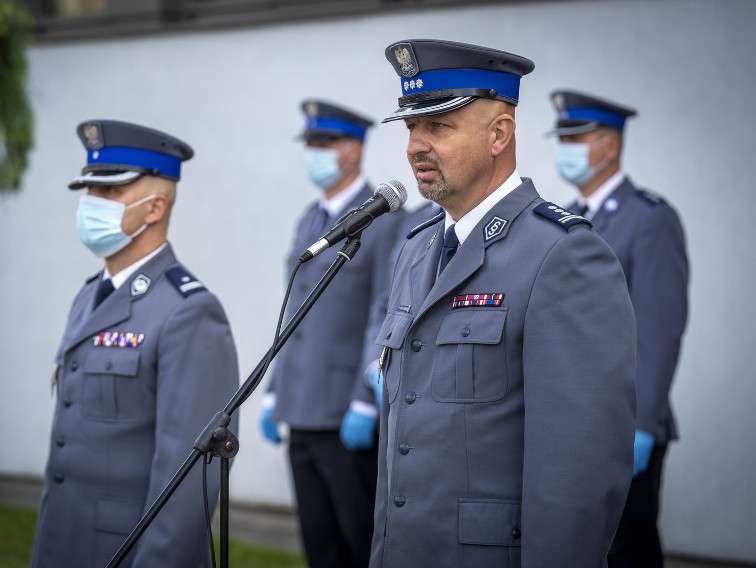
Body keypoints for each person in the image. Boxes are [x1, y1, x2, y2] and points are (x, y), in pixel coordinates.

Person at [370, 39, 638, 566]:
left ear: (499, 134)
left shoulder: (563, 256)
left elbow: (575, 474)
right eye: (410, 127)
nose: (414, 146)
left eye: (438, 127)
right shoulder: (416, 246)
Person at [30, 120, 239, 568]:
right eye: (89, 192)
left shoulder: (189, 312)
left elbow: (188, 481)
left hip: (129, 552)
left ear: (154, 208)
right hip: (63, 542)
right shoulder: (90, 294)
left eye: (108, 194)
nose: (91, 205)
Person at [259, 100, 402, 568]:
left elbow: (384, 311)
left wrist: (366, 398)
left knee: (359, 538)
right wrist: (273, 389)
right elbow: (297, 313)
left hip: (345, 408)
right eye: (312, 144)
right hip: (300, 402)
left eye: (325, 143)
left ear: (353, 149)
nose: (315, 153)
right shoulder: (311, 218)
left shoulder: (385, 221)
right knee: (318, 541)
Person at [550, 90, 689, 567]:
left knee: (628, 550)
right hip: (574, 422)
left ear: (609, 147)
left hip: (624, 420)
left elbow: (659, 328)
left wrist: (641, 422)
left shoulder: (649, 219)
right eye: (562, 137)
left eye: (577, 137)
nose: (565, 147)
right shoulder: (565, 219)